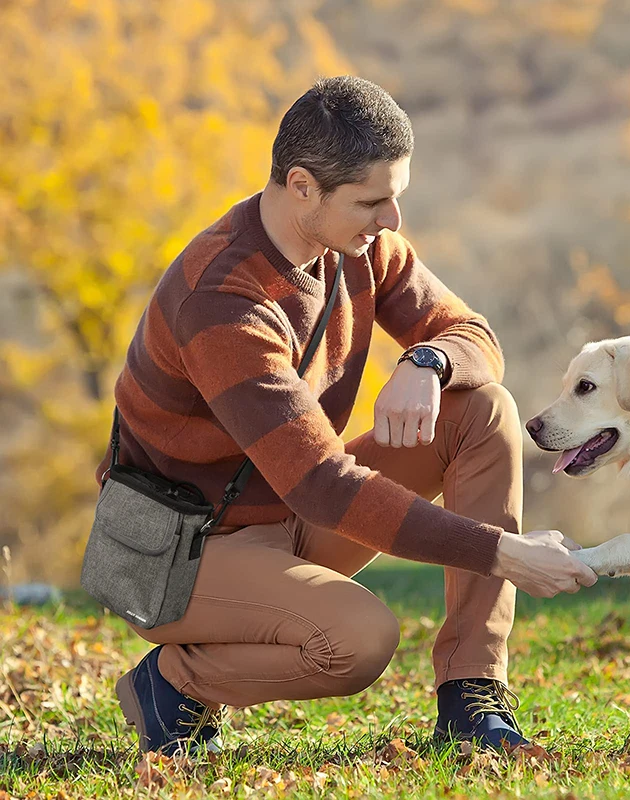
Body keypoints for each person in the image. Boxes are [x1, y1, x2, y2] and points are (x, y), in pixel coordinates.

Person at [97, 75, 597, 757]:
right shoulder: (224, 301)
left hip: (285, 514)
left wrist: (427, 364)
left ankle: (471, 697)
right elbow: (321, 485)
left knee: (481, 411)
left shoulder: (357, 245)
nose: (390, 219)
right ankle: (175, 684)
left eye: (396, 197)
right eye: (372, 201)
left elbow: (473, 334)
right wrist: (504, 552)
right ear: (302, 186)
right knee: (359, 641)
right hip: (183, 551)